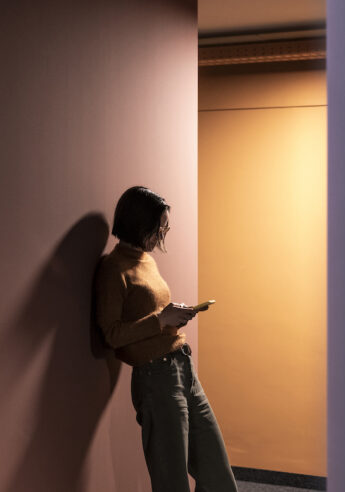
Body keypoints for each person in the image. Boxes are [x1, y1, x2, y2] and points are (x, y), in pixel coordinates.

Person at [94, 186, 238, 492]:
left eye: (165, 226)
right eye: (160, 226)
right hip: (155, 378)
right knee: (171, 481)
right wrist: (161, 320)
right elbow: (111, 333)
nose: (163, 233)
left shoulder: (146, 260)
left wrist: (172, 316)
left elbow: (153, 314)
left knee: (218, 475)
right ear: (139, 224)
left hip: (183, 369)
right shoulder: (113, 268)